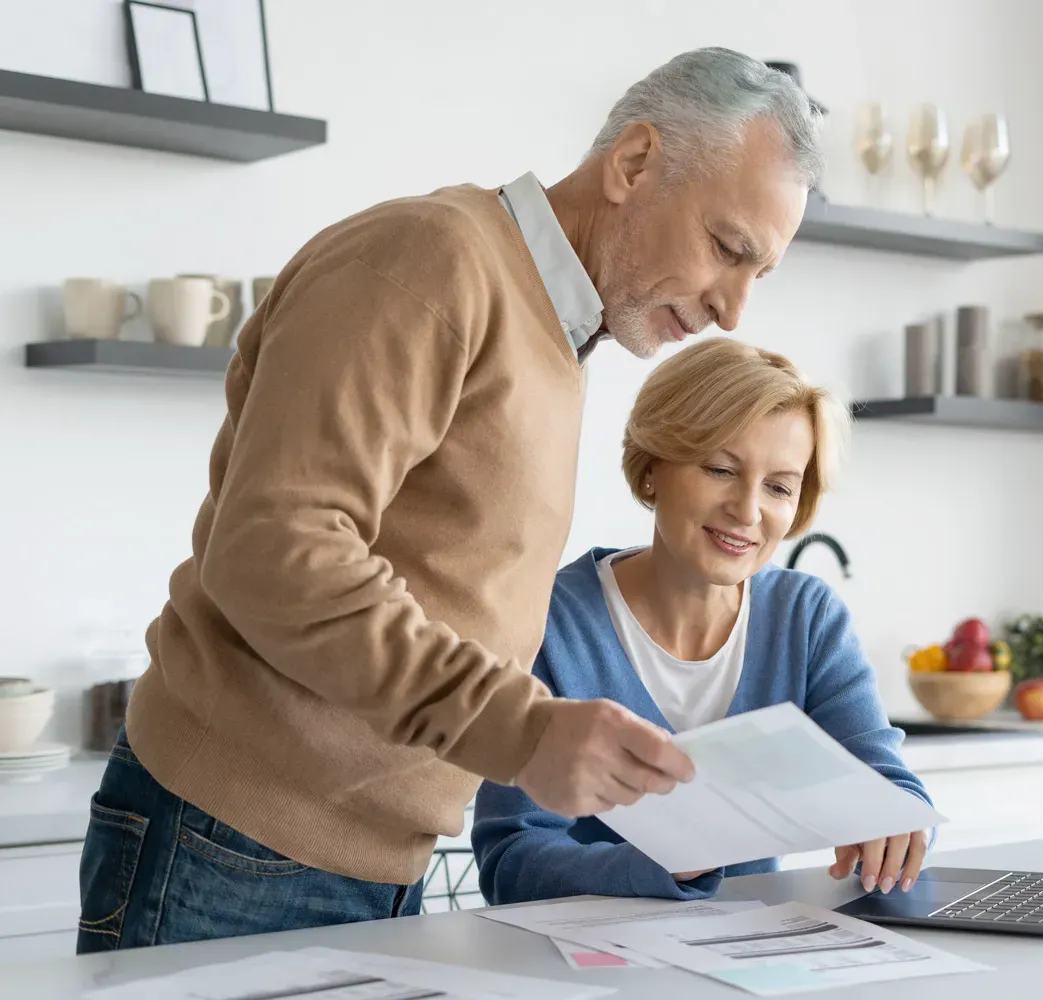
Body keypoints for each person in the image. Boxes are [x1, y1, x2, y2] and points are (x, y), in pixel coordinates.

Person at [77, 48, 824, 952]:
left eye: (761, 274)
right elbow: (278, 548)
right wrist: (521, 728)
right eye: (727, 249)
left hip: (368, 864)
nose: (736, 309)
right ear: (634, 163)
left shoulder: (558, 336)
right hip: (229, 844)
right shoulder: (431, 260)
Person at [471, 338, 932, 905]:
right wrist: (660, 866)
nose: (747, 510)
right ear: (652, 470)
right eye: (719, 468)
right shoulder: (549, 619)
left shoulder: (806, 619)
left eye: (780, 487)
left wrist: (897, 823)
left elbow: (887, 781)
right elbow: (510, 861)